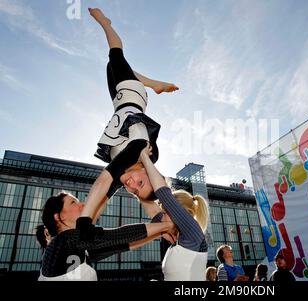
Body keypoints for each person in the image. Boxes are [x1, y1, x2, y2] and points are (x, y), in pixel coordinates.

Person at [77, 7, 178, 230]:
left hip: (119, 100)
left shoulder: (126, 171)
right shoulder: (137, 148)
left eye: (134, 190)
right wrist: (83, 221)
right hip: (131, 97)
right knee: (115, 54)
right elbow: (103, 181)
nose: (130, 185)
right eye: (140, 182)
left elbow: (103, 196)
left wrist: (87, 224)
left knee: (112, 66)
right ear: (149, 172)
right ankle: (105, 22)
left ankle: (153, 83)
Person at [36, 192, 174, 281]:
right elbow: (118, 235)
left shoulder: (76, 247)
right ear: (59, 216)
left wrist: (160, 232)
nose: (82, 205)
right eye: (73, 202)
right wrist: (167, 225)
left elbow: (124, 244)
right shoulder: (65, 241)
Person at [137, 145, 210, 280]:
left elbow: (164, 194)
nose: (160, 216)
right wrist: (135, 187)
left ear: (179, 214)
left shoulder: (192, 233)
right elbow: (150, 206)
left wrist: (144, 157)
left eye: (165, 212)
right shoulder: (177, 239)